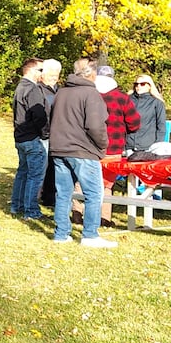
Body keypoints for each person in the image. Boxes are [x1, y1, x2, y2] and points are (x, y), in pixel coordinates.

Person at [50, 58, 116, 248]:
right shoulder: (91, 94)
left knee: (63, 193)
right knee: (94, 193)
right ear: (91, 74)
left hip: (60, 148)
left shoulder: (61, 92)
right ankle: (90, 235)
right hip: (83, 150)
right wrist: (102, 146)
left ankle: (61, 234)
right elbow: (95, 125)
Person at [74, 64, 140, 226]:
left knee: (81, 182)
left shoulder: (86, 95)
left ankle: (77, 214)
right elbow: (134, 123)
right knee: (106, 184)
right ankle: (104, 218)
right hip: (113, 147)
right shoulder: (122, 98)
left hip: (87, 146)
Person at [11, 57, 48, 220]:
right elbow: (38, 115)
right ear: (32, 71)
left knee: (23, 172)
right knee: (34, 175)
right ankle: (31, 210)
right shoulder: (32, 89)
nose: (43, 74)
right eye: (41, 70)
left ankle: (16, 205)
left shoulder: (20, 87)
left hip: (20, 137)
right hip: (31, 137)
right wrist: (45, 132)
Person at [39, 59, 62, 207]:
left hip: (57, 133)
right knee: (41, 167)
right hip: (44, 133)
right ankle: (36, 197)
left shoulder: (60, 90)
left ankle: (50, 197)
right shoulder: (39, 89)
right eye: (50, 74)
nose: (54, 77)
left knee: (54, 167)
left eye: (56, 74)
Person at [126, 73, 166, 152]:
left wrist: (157, 146)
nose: (139, 86)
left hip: (148, 147)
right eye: (136, 84)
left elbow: (161, 126)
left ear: (149, 85)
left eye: (142, 84)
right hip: (128, 145)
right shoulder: (127, 100)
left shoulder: (157, 102)